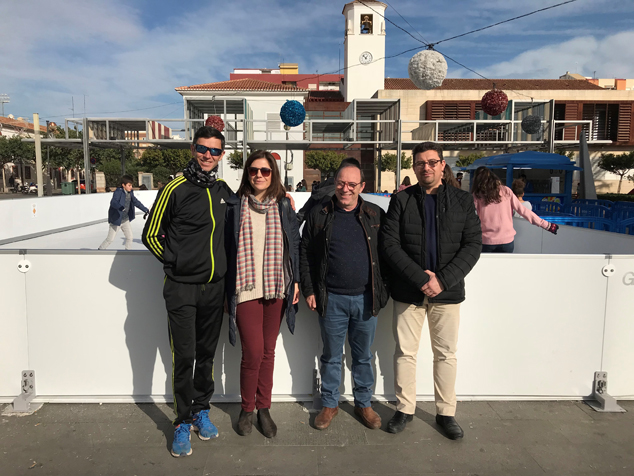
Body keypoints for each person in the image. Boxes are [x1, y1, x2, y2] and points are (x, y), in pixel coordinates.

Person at [142, 126, 234, 457]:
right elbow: (150, 235)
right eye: (203, 148)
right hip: (182, 289)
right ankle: (181, 421)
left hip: (214, 288)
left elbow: (244, 215)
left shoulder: (223, 190)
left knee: (206, 355)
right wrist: (177, 263)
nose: (208, 155)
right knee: (184, 357)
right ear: (193, 149)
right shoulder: (174, 188)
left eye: (215, 151)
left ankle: (201, 411)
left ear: (222, 155)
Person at [380, 142, 482, 439]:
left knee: (446, 354)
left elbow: (473, 245)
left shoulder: (462, 200)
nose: (426, 167)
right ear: (414, 167)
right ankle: (404, 408)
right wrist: (419, 278)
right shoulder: (401, 200)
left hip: (447, 292)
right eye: (420, 163)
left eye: (432, 162)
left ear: (442, 165)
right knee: (405, 353)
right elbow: (390, 244)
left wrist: (443, 280)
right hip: (409, 291)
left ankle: (446, 413)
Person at [300, 160, 389, 431]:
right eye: (341, 183)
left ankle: (364, 403)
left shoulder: (375, 214)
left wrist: (383, 289)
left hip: (366, 298)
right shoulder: (319, 214)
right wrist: (309, 290)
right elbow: (305, 253)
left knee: (363, 356)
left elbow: (387, 254)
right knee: (331, 356)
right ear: (334, 183)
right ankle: (329, 404)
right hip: (331, 299)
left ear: (362, 186)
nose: (345, 189)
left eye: (352, 184)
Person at [225, 151, 300, 438]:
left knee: (268, 352)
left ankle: (264, 408)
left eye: (265, 171)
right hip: (245, 288)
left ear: (273, 174)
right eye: (254, 170)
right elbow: (225, 249)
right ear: (247, 173)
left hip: (276, 286)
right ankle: (247, 408)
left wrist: (296, 281)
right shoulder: (235, 206)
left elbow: (295, 244)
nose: (259, 175)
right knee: (253, 352)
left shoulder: (283, 205)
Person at [472, 167, 558, 253]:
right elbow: (523, 210)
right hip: (506, 240)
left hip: (486, 241)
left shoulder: (477, 195)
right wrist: (546, 225)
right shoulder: (506, 191)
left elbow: (471, 217)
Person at [296, 158, 362, 225]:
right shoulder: (335, 194)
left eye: (352, 184)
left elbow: (301, 215)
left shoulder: (321, 187)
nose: (345, 189)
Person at [98, 175, 149, 250]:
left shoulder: (130, 192)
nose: (131, 187)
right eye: (129, 185)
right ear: (123, 185)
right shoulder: (118, 192)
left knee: (130, 237)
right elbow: (113, 202)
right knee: (110, 239)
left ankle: (128, 253)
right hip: (116, 220)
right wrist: (120, 207)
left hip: (125, 220)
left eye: (131, 185)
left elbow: (135, 202)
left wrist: (145, 209)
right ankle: (100, 250)